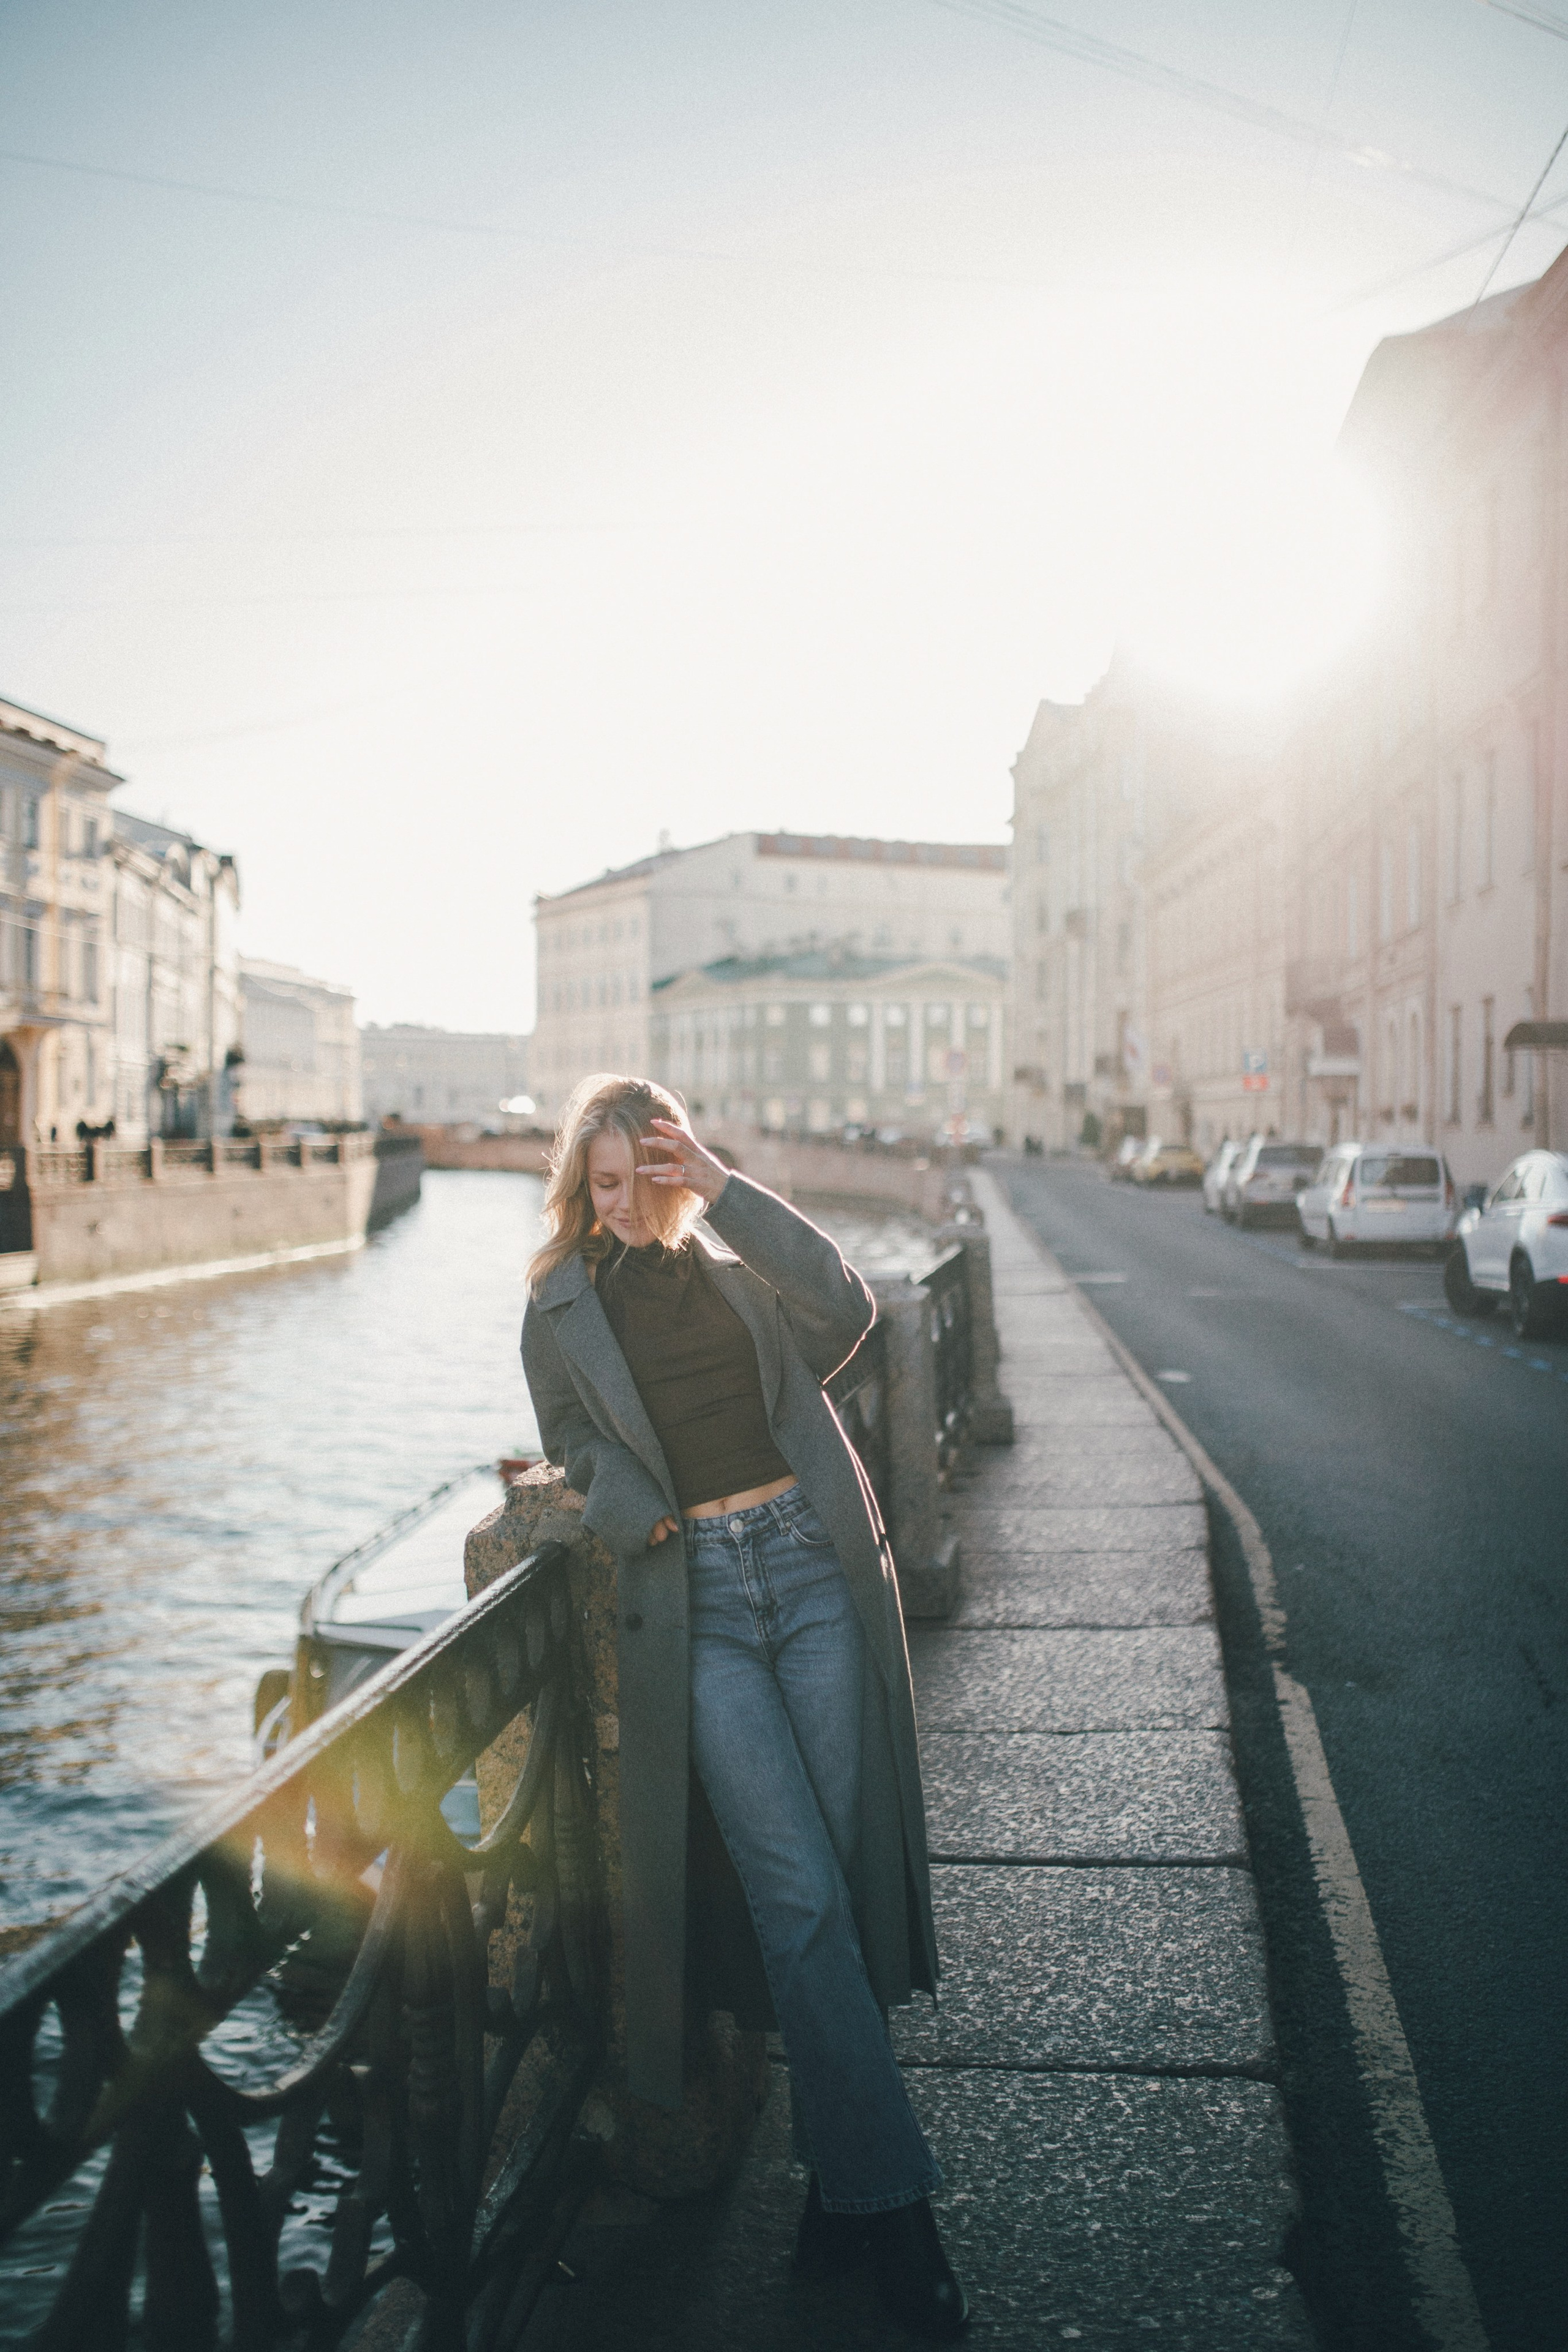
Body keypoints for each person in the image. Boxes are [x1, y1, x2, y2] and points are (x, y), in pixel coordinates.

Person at [521, 1073, 968, 2340]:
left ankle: (838, 2177)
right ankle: (894, 2213)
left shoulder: (729, 1272)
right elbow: (571, 1443)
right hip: (699, 1602)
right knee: (798, 1897)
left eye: (642, 1177)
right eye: (600, 1184)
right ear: (578, 1188)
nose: (619, 1206)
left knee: (835, 1882)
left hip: (811, 1569)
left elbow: (846, 1307)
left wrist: (722, 1185)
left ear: (670, 1173)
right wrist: (627, 1504)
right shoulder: (556, 1307)